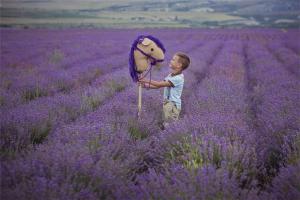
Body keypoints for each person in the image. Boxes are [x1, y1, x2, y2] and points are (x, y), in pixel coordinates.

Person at [138, 52, 190, 129]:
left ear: (179, 65)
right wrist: (144, 85)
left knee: (170, 126)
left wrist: (145, 80)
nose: (170, 61)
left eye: (173, 60)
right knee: (166, 123)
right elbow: (157, 86)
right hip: (167, 103)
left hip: (173, 105)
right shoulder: (171, 75)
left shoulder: (178, 78)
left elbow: (159, 84)